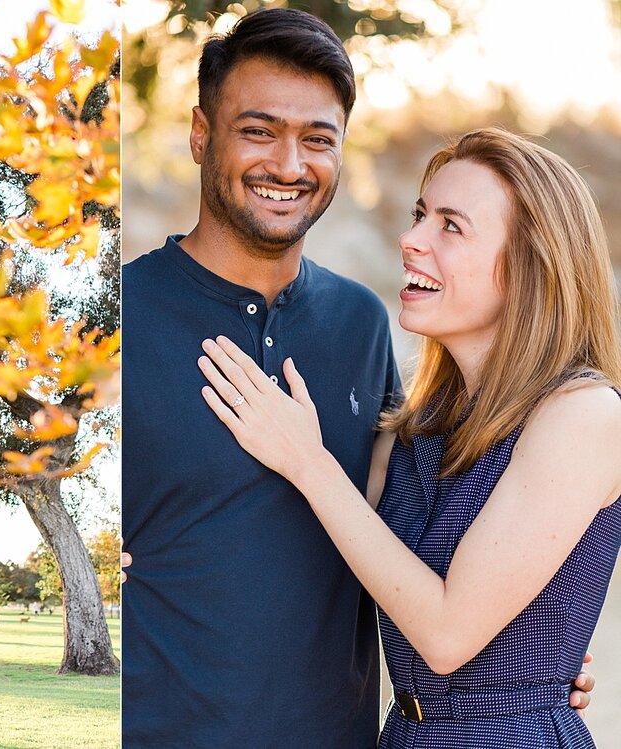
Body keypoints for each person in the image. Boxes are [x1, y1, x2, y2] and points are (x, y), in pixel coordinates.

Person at [120, 8, 595, 747]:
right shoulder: (121, 317)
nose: (288, 163)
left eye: (318, 139)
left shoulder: (360, 324)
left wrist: (529, 670)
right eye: (257, 130)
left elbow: (430, 583)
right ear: (199, 134)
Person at [197, 128, 621, 745]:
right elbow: (304, 548)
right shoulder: (416, 427)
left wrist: (309, 462)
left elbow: (448, 636)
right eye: (421, 214)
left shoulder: (583, 414)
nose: (410, 238)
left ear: (533, 264)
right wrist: (143, 554)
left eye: (450, 225)